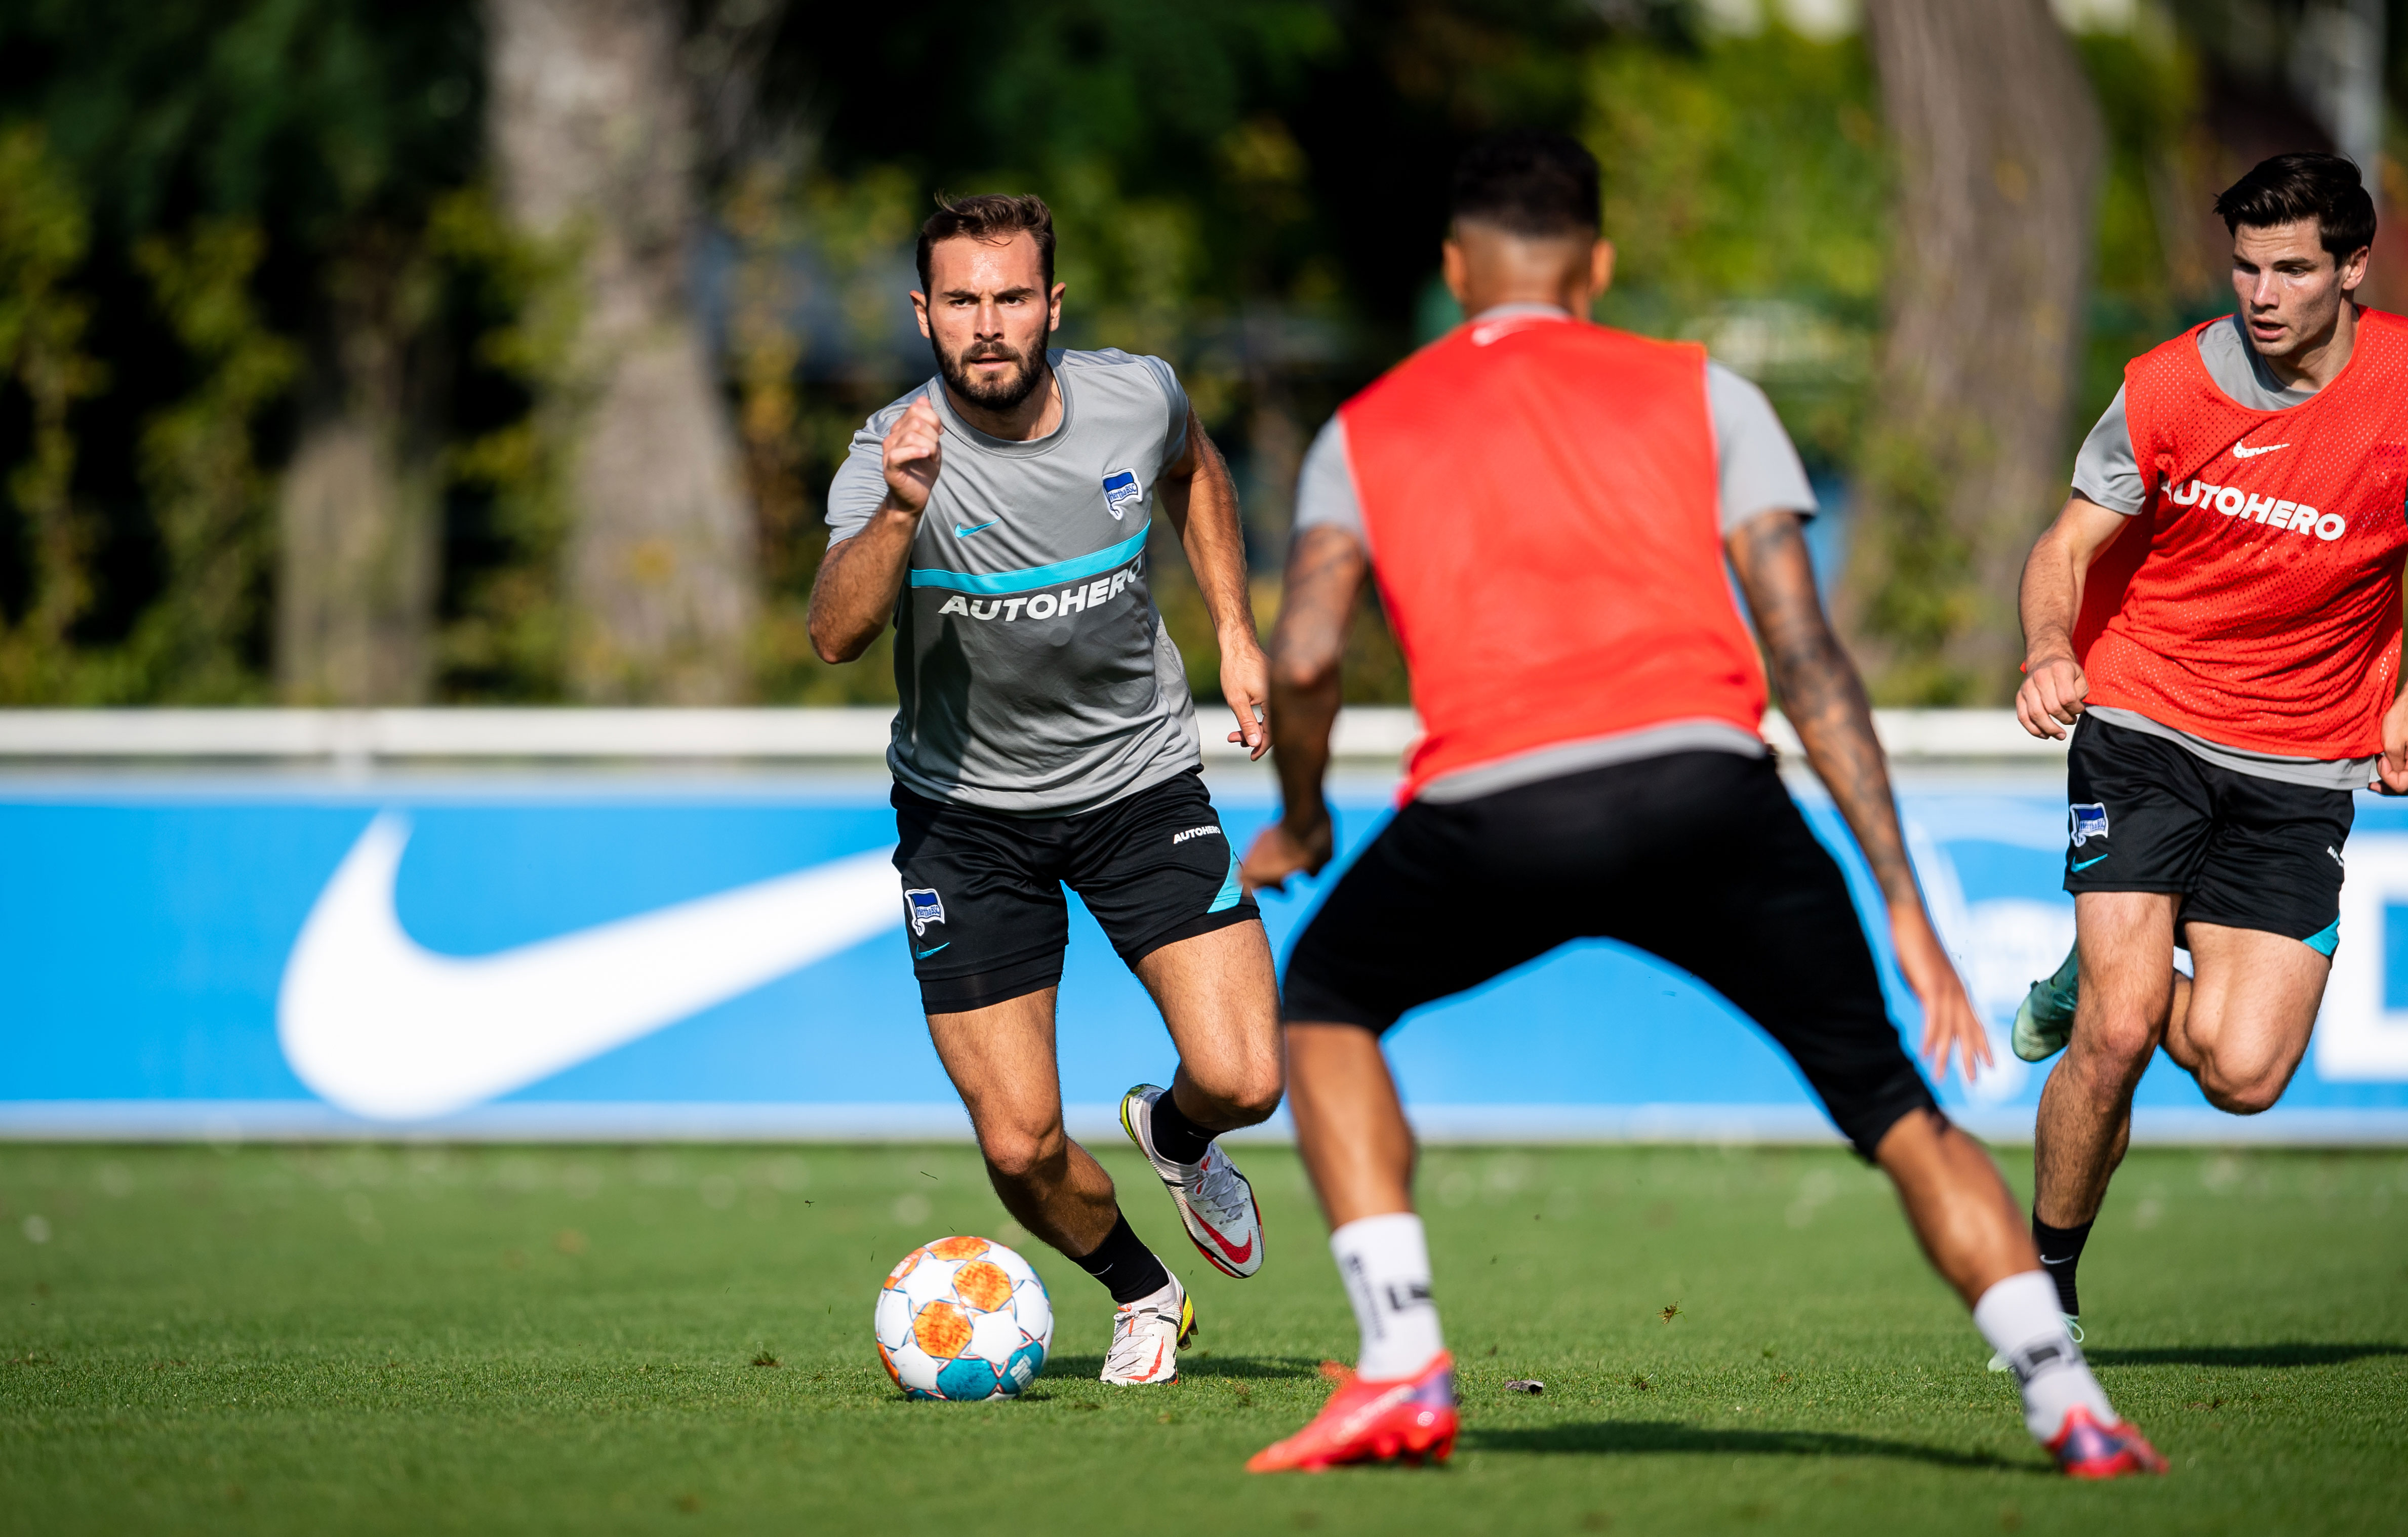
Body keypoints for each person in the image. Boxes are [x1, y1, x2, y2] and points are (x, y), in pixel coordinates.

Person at [1237, 133, 2163, 1478]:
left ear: (1453, 267)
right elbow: (1805, 657)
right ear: (1596, 264)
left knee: (1323, 1004)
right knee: (1897, 1108)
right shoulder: (1703, 390)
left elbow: (1307, 653)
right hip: (1709, 798)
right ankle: (2066, 1396)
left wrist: (1307, 816)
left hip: (1493, 809)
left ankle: (1399, 1364)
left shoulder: (1362, 430)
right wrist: (1899, 898)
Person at [810, 194, 1282, 1386]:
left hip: (1137, 783)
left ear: (1050, 306)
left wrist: (1232, 626)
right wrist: (904, 512)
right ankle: (1142, 1291)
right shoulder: (890, 454)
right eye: (960, 301)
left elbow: (1197, 469)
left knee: (1244, 1079)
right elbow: (832, 632)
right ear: (923, 312)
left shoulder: (1136, 396)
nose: (986, 326)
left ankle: (1176, 1135)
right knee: (1020, 1144)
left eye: (1009, 297)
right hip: (965, 824)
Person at [2008, 152, 2398, 1341]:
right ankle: (2045, 1295)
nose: (2261, 292)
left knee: (2241, 1074)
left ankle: (2090, 975)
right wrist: (2043, 651)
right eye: (2243, 266)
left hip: (2299, 757)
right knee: (2122, 1033)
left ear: (2351, 269)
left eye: (2290, 268)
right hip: (2143, 717)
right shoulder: (2165, 387)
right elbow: (2064, 549)